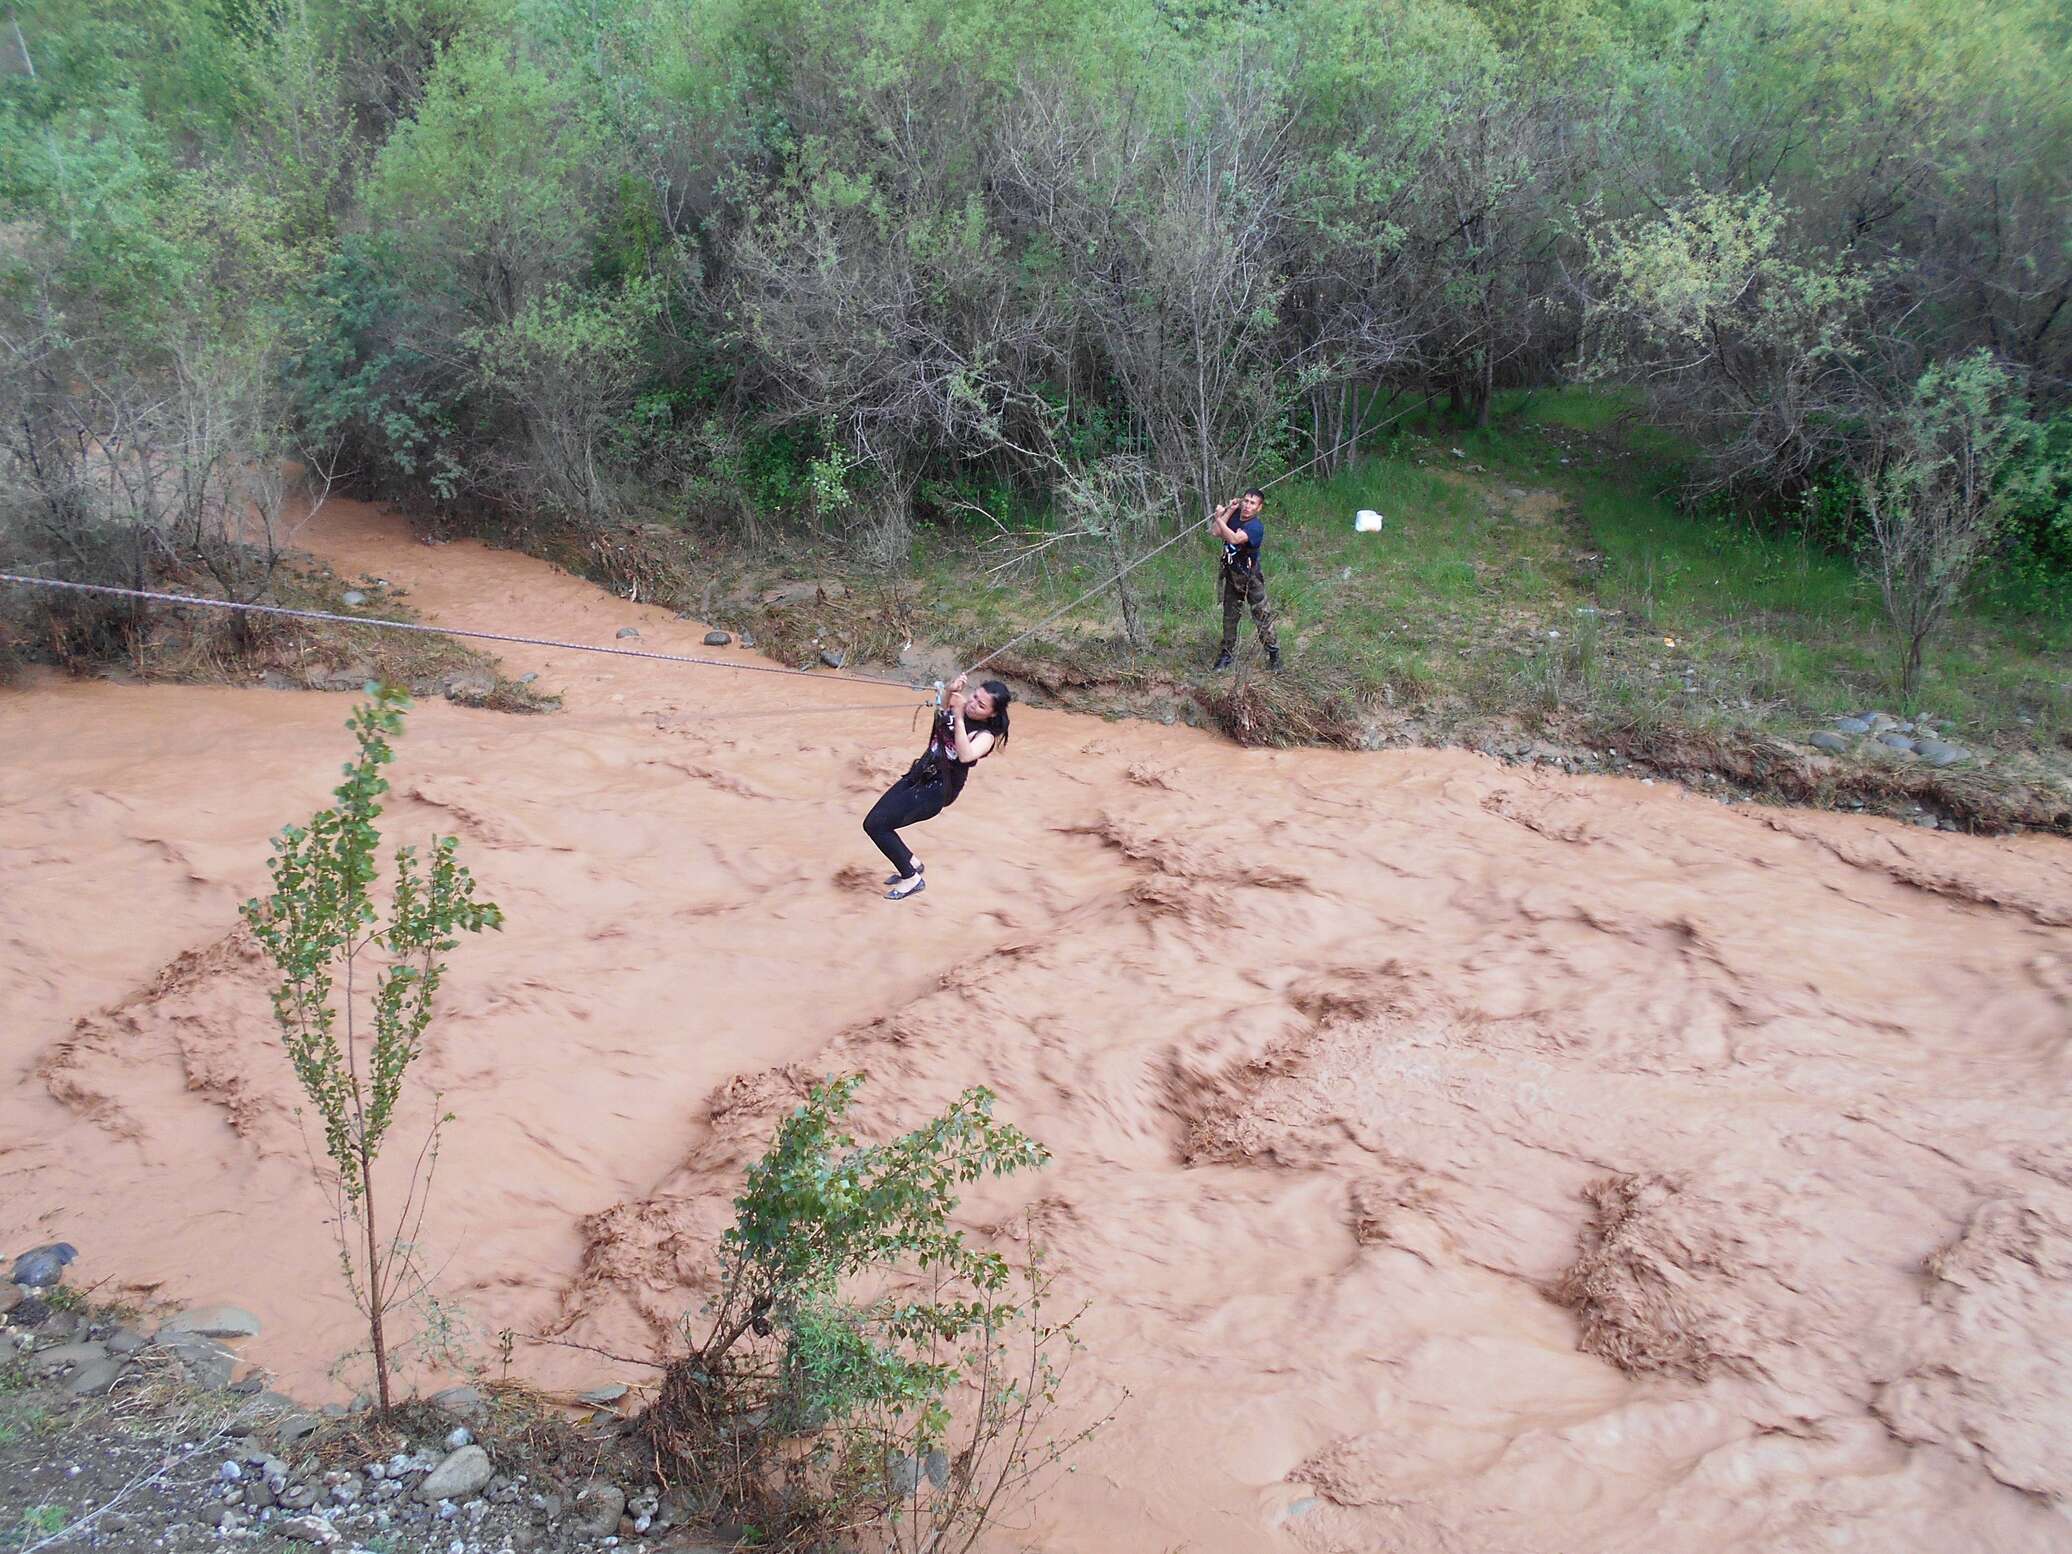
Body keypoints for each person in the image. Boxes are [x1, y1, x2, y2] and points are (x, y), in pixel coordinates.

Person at [863, 673, 1012, 901]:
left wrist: (960, 716)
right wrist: (951, 691)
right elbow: (942, 714)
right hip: (919, 773)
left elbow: (965, 755)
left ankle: (911, 878)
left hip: (937, 790)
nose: (972, 704)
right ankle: (912, 862)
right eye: (973, 697)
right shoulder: (958, 709)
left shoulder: (985, 736)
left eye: (981, 705)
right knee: (875, 820)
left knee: (876, 826)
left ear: (992, 713)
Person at [1208, 487, 1280, 671]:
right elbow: (1215, 532)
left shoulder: (1255, 527)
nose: (1247, 506)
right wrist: (1229, 511)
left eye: (1252, 503)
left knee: (1262, 616)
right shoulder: (1234, 515)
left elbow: (1233, 538)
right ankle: (1226, 656)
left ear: (1259, 507)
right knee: (1230, 617)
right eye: (1246, 501)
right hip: (1232, 575)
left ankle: (1273, 655)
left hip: (1251, 577)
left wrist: (1218, 517)